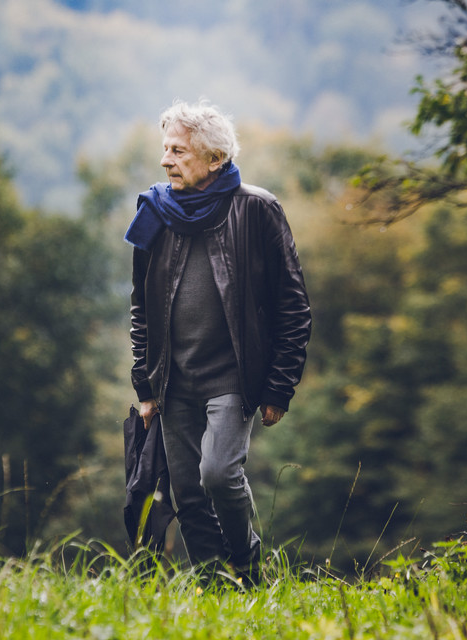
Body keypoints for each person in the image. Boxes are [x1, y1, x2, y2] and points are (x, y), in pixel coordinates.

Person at [126, 100, 311, 583]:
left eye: (179, 152)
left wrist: (278, 388)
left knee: (219, 475)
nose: (166, 161)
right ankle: (216, 584)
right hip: (173, 381)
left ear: (214, 159)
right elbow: (140, 307)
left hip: (232, 377)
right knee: (187, 491)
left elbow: (294, 307)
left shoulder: (258, 210)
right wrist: (145, 385)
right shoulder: (154, 212)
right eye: (165, 149)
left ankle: (247, 563)